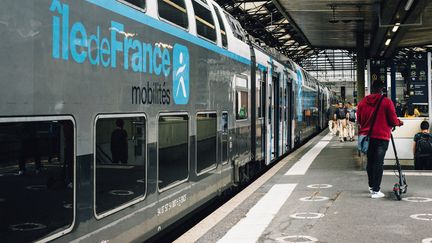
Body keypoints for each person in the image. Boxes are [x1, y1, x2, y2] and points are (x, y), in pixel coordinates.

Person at [357, 80, 403, 199]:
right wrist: (399, 122)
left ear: (371, 89)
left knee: (370, 162)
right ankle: (376, 191)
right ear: (382, 89)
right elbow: (393, 121)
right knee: (378, 163)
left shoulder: (362, 103)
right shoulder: (387, 102)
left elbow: (360, 121)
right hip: (381, 137)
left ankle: (372, 186)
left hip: (367, 137)